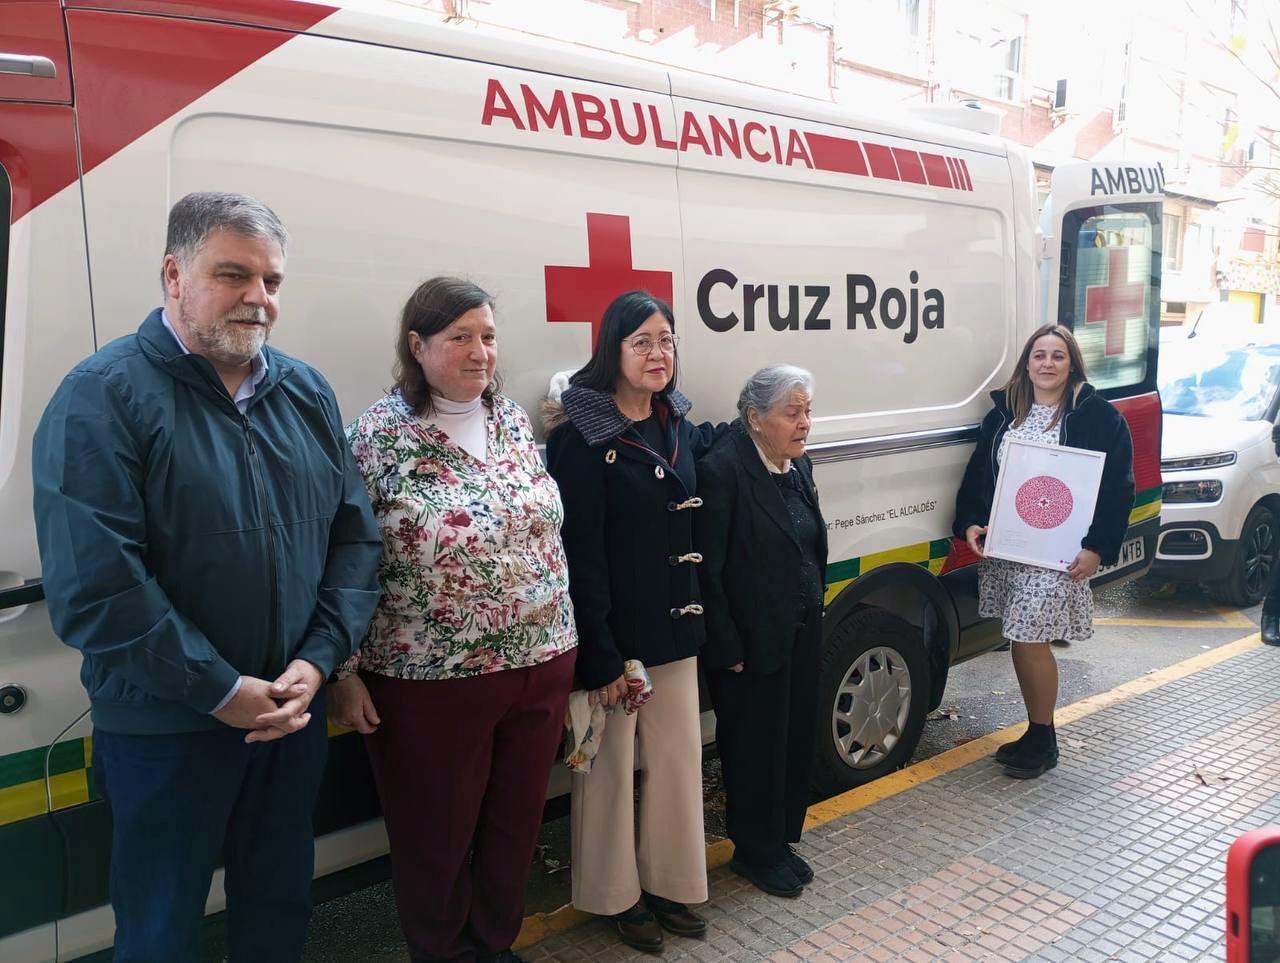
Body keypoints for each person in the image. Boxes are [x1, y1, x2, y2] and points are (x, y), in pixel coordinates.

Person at [31, 191, 383, 962]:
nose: (259, 298)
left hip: (288, 721)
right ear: (173, 273)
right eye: (234, 274)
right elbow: (97, 587)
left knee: (278, 910)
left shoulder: (304, 391)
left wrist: (315, 661)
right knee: (159, 931)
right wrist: (220, 690)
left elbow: (355, 541)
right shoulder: (101, 397)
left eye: (273, 281)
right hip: (167, 729)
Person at [329, 277, 577, 963]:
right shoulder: (376, 436)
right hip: (430, 679)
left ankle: (495, 944)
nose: (479, 352)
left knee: (514, 825)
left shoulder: (511, 421)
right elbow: (342, 555)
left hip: (542, 661)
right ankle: (442, 953)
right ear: (418, 345)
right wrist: (343, 671)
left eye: (488, 336)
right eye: (460, 336)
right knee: (433, 839)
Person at [545, 289, 723, 954]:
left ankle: (673, 881)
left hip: (675, 631)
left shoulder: (674, 421)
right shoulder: (581, 440)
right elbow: (579, 556)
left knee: (679, 760)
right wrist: (603, 654)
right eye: (642, 341)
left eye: (667, 340)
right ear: (612, 350)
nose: (658, 353)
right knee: (610, 771)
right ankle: (618, 897)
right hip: (616, 640)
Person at [954, 323, 1135, 779]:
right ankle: (1037, 730)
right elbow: (981, 473)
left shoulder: (1099, 418)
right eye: (1039, 355)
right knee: (1019, 635)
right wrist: (971, 522)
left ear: (1072, 363)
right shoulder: (1003, 415)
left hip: (1059, 552)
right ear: (1027, 363)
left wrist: (1098, 548)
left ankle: (1044, 736)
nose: (1047, 364)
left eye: (1058, 355)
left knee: (1031, 635)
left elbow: (1118, 490)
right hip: (1010, 547)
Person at [696, 365, 827, 898]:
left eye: (808, 411)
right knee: (753, 747)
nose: (805, 424)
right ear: (755, 417)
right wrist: (725, 645)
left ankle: (779, 838)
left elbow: (809, 542)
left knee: (793, 737)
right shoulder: (723, 470)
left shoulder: (797, 465)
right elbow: (707, 567)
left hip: (797, 629)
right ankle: (753, 850)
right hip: (749, 645)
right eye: (792, 412)